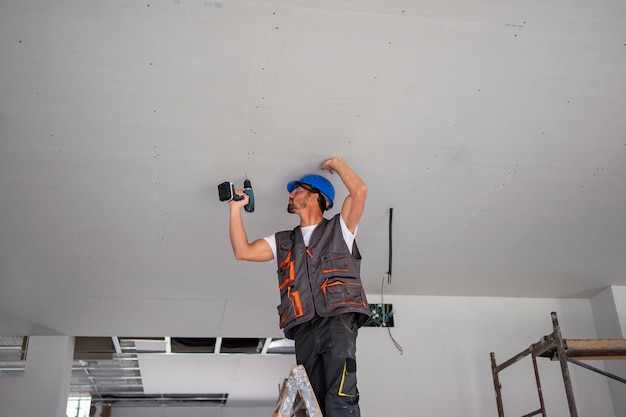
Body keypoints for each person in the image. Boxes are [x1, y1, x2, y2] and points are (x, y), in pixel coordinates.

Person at [228, 156, 370, 417]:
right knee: (311, 399)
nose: (290, 195)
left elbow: (359, 191)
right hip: (303, 325)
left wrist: (336, 163)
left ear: (315, 197)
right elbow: (242, 251)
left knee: (340, 392)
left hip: (337, 319)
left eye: (297, 190)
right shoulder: (283, 241)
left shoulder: (341, 229)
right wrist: (235, 210)